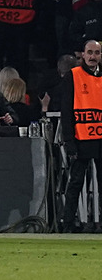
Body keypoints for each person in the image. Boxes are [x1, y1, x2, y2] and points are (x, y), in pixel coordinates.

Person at [60, 40, 102, 233]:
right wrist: (69, 141)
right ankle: (68, 224)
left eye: (97, 53)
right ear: (83, 54)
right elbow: (66, 111)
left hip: (99, 140)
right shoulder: (73, 76)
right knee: (75, 183)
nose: (93, 56)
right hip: (81, 139)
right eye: (90, 52)